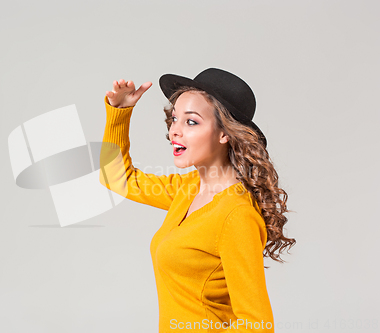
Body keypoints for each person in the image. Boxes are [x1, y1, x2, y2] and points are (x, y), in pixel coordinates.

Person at [99, 68, 296, 332]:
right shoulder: (189, 188)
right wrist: (120, 113)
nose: (174, 132)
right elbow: (115, 178)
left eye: (191, 122)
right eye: (175, 119)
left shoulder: (236, 214)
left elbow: (257, 323)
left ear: (224, 134)